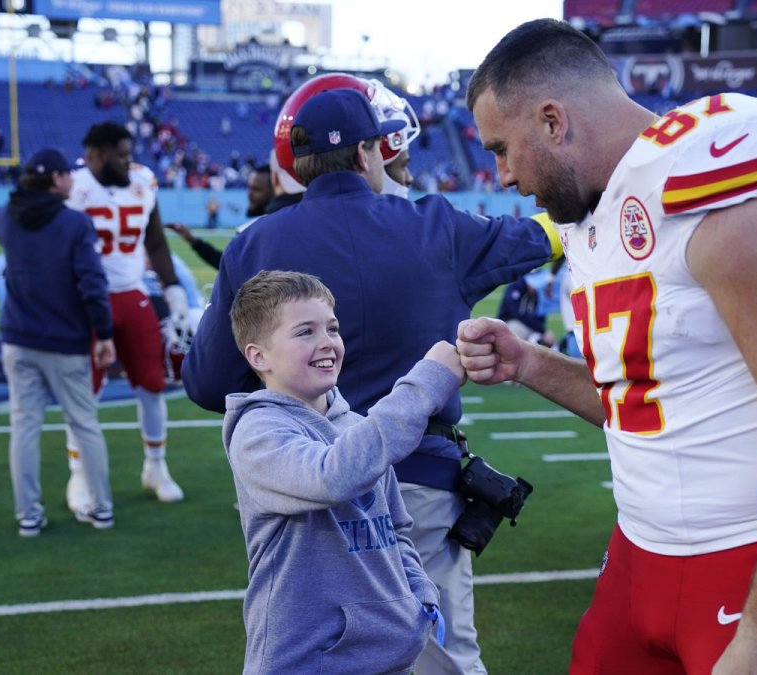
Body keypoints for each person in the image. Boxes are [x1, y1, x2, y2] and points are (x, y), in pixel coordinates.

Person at [461, 19, 757, 674]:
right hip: (637, 556)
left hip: (749, 561)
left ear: (554, 121)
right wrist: (529, 362)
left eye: (503, 148)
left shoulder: (711, 177)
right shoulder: (598, 209)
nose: (501, 174)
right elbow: (643, 401)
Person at [183, 84, 560, 675]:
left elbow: (206, 383)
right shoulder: (435, 225)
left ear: (297, 165)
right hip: (417, 482)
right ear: (369, 154)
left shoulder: (252, 244)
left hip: (297, 494)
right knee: (443, 658)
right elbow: (541, 236)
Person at [224, 270, 464, 674]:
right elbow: (332, 476)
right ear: (258, 356)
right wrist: (424, 385)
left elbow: (396, 529)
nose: (327, 342)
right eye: (305, 332)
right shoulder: (257, 432)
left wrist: (418, 597)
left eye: (332, 328)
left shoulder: (355, 426)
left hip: (389, 656)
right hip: (306, 661)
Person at [63, 121, 189, 509]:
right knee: (85, 391)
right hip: (88, 299)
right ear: (95, 154)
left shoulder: (143, 182)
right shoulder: (74, 187)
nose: (128, 160)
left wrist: (172, 287)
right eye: (119, 153)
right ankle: (79, 475)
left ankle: (156, 466)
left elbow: (154, 239)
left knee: (152, 384)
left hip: (133, 294)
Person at [0, 147, 117, 536]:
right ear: (56, 179)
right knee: (84, 425)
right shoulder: (75, 224)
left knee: (24, 427)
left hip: (18, 337)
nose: (72, 180)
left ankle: (28, 514)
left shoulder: (4, 217)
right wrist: (105, 332)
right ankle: (101, 508)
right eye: (67, 173)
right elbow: (92, 284)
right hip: (64, 340)